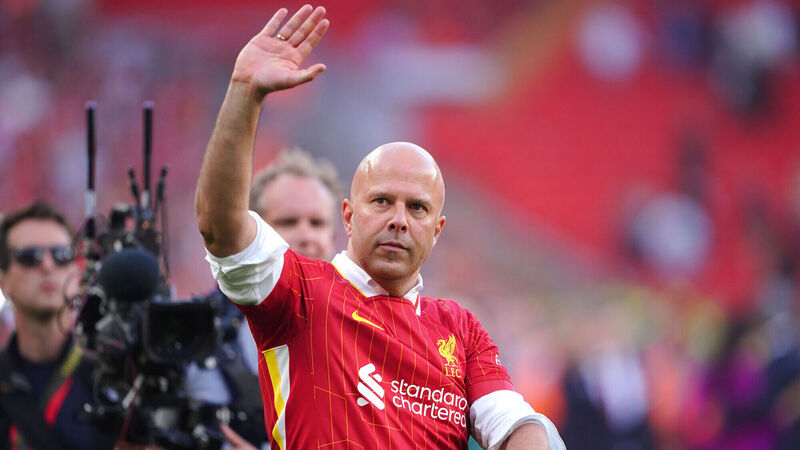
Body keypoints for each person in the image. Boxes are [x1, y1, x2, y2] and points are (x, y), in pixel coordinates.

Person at [195, 5, 564, 449]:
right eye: (382, 201)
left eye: (417, 208)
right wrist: (244, 94)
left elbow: (513, 421)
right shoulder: (300, 295)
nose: (399, 220)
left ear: (437, 230)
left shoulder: (461, 329)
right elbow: (221, 227)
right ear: (349, 216)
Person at [190, 148, 342, 449]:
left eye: (317, 223)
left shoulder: (362, 326)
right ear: (252, 232)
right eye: (288, 221)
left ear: (334, 235)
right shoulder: (201, 328)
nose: (305, 236)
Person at [0, 201, 114, 450]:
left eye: (62, 255)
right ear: (3, 281)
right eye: (29, 257)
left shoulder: (112, 378)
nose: (48, 265)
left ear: (77, 272)